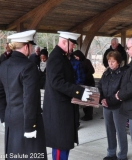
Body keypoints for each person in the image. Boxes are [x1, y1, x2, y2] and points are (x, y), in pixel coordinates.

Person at [0, 30, 47, 159]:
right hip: (27, 120)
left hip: (11, 120)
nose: (32, 48)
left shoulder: (4, 65)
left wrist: (4, 117)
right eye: (31, 46)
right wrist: (30, 126)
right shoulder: (28, 66)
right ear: (26, 46)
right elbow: (30, 99)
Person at [43, 31, 92, 160]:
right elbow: (57, 82)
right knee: (60, 146)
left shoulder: (62, 56)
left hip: (63, 109)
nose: (73, 47)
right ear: (65, 42)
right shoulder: (56, 57)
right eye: (72, 44)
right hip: (59, 111)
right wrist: (78, 92)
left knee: (64, 144)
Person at [98, 51, 128, 160]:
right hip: (106, 107)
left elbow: (122, 91)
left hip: (118, 107)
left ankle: (122, 155)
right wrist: (101, 99)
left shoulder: (123, 73)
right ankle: (111, 153)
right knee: (109, 130)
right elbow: (100, 87)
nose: (110, 63)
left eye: (113, 61)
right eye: (109, 61)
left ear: (118, 62)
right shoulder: (106, 73)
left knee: (120, 131)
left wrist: (109, 101)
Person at [73, 50, 95, 121]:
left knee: (89, 100)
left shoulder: (86, 61)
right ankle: (86, 114)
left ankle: (89, 115)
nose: (76, 58)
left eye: (77, 56)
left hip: (89, 82)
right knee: (84, 100)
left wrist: (85, 76)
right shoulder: (76, 63)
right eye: (75, 57)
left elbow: (92, 70)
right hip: (82, 83)